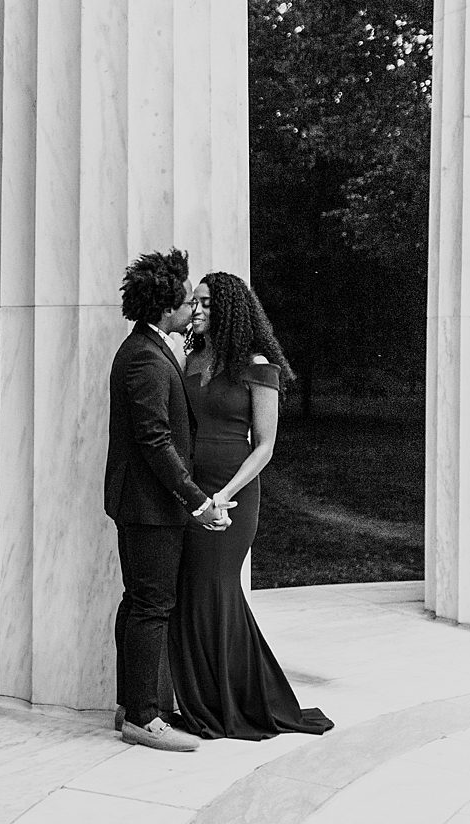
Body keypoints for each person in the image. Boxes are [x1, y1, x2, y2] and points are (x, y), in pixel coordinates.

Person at [166, 272, 334, 740]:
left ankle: (229, 704)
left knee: (213, 588)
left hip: (232, 491)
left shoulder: (257, 365)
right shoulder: (192, 357)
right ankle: (211, 699)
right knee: (193, 593)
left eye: (204, 304)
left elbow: (264, 446)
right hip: (192, 488)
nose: (195, 311)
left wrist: (225, 494)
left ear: (229, 310)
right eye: (193, 303)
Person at [105, 249, 228, 753]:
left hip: (146, 505)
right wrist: (198, 501)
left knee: (140, 602)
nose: (190, 310)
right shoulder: (144, 358)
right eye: (185, 302)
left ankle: (131, 704)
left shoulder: (148, 349)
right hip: (149, 508)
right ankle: (142, 717)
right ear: (165, 308)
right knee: (152, 605)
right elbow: (156, 440)